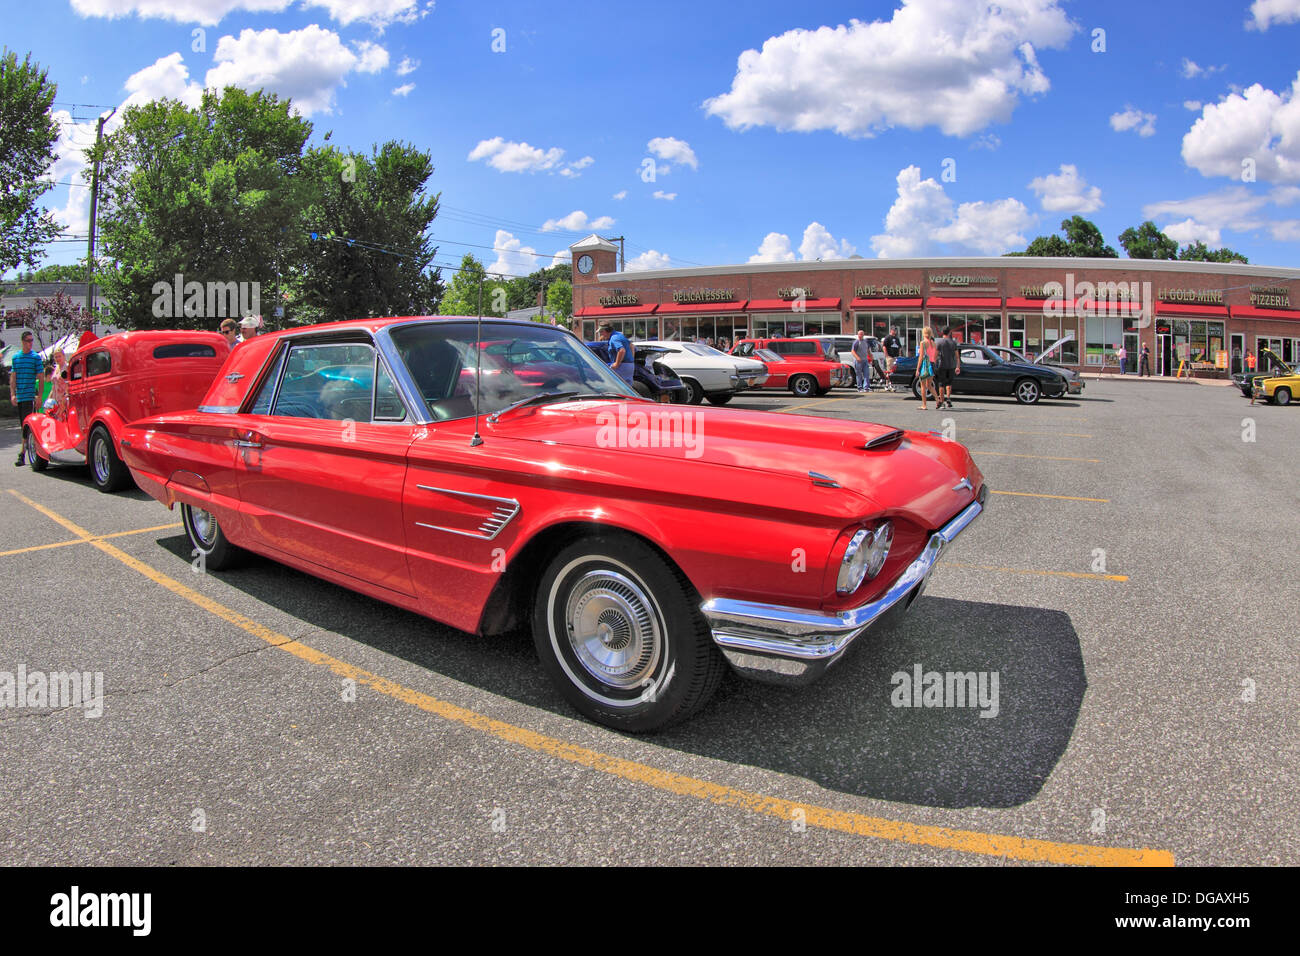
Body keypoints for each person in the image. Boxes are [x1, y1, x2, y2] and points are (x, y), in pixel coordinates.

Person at [10, 331, 45, 466]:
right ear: (23, 341)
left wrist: (39, 396)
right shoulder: (16, 358)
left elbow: (41, 378)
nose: (30, 343)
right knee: (23, 426)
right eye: (28, 340)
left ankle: (23, 454)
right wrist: (13, 394)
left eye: (32, 340)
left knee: (27, 426)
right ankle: (28, 451)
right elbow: (13, 377)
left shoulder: (35, 357)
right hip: (20, 396)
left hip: (30, 396)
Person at [934, 326, 961, 409]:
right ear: (949, 333)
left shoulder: (939, 343)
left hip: (942, 365)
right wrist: (958, 366)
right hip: (952, 365)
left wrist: (934, 365)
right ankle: (948, 398)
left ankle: (942, 401)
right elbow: (957, 356)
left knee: (941, 384)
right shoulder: (953, 343)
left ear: (942, 332)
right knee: (949, 383)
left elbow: (935, 356)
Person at [917, 326, 939, 410]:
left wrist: (918, 369)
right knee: (929, 385)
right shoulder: (933, 343)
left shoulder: (923, 343)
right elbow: (935, 356)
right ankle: (937, 399)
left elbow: (921, 357)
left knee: (923, 385)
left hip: (925, 365)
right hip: (932, 364)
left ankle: (924, 405)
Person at [883, 326, 903, 392]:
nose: (895, 331)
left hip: (896, 357)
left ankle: (892, 385)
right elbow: (884, 346)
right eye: (894, 330)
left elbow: (899, 347)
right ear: (891, 330)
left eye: (895, 330)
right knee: (889, 371)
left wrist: (899, 355)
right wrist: (887, 355)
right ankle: (887, 385)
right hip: (890, 357)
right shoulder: (888, 337)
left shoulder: (897, 339)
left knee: (894, 371)